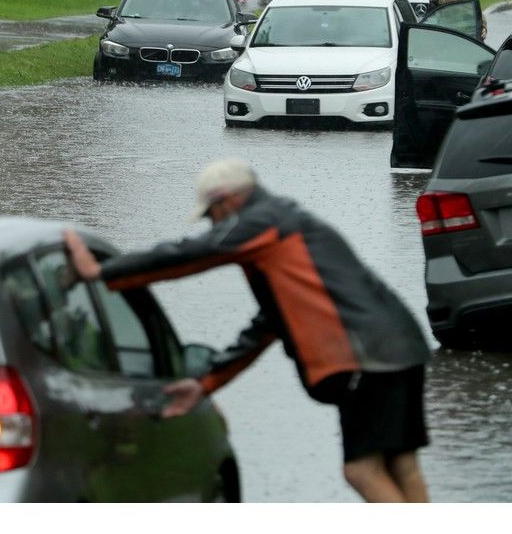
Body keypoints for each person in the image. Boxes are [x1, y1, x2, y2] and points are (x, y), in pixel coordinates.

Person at [62, 157, 432, 503]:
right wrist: (206, 383)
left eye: (212, 216)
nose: (213, 225)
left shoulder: (261, 222)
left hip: (362, 358)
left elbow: (190, 254)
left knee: (361, 469)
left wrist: (103, 272)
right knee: (401, 464)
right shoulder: (289, 227)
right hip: (402, 347)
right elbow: (269, 324)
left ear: (226, 202)